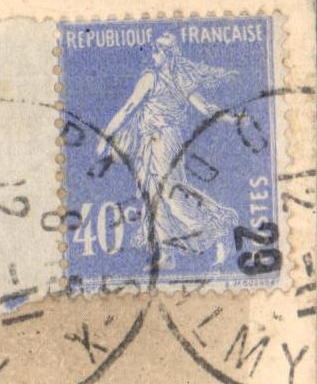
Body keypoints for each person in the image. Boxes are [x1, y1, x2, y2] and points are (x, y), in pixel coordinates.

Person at [95, 32, 240, 266]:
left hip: (165, 140)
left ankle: (218, 228)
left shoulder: (175, 79)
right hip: (146, 143)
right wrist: (107, 136)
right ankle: (165, 254)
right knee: (152, 195)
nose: (152, 55)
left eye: (156, 51)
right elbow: (128, 108)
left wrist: (233, 120)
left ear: (168, 54)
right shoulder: (151, 78)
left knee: (172, 193)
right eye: (153, 50)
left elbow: (205, 107)